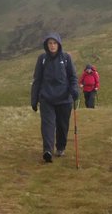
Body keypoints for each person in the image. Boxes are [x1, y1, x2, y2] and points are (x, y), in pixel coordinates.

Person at [30, 32, 79, 163]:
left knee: (62, 126)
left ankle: (61, 147)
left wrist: (74, 90)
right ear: (46, 45)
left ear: (59, 44)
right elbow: (37, 80)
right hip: (46, 99)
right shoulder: (42, 59)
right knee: (48, 125)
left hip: (64, 99)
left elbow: (73, 77)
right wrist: (34, 99)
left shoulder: (66, 58)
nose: (52, 45)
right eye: (50, 43)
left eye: (54, 43)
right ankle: (47, 150)